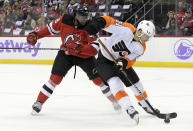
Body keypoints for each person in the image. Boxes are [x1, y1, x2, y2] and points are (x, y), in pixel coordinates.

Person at [26, 5, 120, 115]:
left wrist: (79, 48)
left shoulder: (91, 27)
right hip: (66, 54)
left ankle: (115, 101)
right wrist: (36, 35)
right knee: (54, 79)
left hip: (85, 57)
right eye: (81, 16)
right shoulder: (65, 19)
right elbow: (49, 29)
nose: (83, 19)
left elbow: (94, 49)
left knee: (99, 81)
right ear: (75, 15)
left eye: (85, 17)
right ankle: (39, 102)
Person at [85, 16, 160, 124]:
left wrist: (123, 63)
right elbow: (110, 22)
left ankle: (146, 105)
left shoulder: (141, 47)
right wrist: (98, 23)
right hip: (105, 59)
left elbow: (131, 59)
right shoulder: (127, 29)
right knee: (114, 82)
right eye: (146, 37)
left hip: (120, 62)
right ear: (139, 31)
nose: (146, 40)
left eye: (148, 38)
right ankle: (129, 108)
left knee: (136, 83)